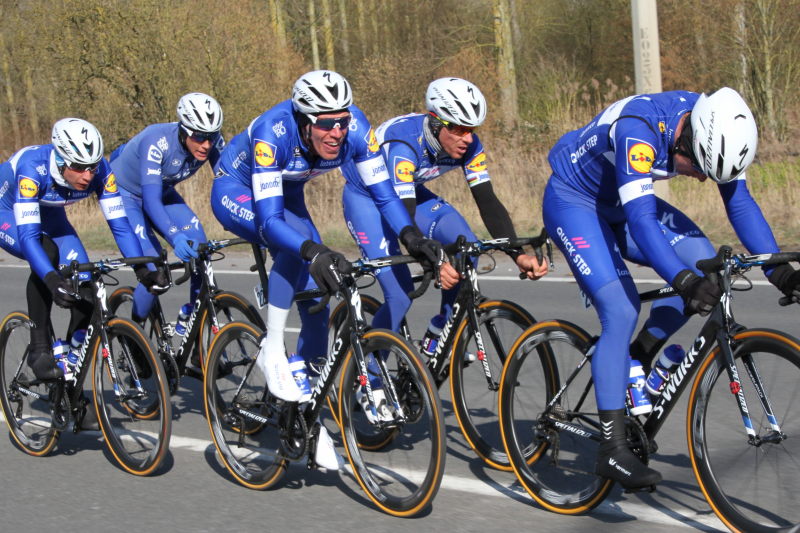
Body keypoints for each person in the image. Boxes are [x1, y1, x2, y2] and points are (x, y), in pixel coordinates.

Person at [542, 87, 800, 489]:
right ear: (685, 139)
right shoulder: (639, 131)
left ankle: (637, 356)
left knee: (706, 266)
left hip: (620, 203)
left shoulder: (718, 124)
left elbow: (740, 203)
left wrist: (779, 271)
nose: (701, 179)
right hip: (575, 202)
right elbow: (642, 222)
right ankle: (611, 449)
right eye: (699, 167)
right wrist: (683, 282)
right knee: (621, 309)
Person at [210, 70, 452, 470]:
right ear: (304, 121)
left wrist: (412, 237)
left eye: (341, 121)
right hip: (237, 189)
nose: (336, 132)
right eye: (325, 124)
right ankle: (272, 346)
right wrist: (313, 251)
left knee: (318, 303)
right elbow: (270, 222)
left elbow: (384, 195)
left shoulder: (357, 129)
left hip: (289, 190)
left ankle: (305, 413)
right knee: (296, 248)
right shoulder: (273, 133)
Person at [340, 77, 548, 358]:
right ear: (436, 123)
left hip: (410, 193)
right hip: (366, 199)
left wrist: (517, 254)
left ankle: (440, 332)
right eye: (459, 129)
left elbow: (487, 200)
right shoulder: (403, 145)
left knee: (466, 247)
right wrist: (435, 260)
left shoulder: (470, 146)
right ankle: (371, 376)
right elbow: (405, 219)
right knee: (399, 294)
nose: (468, 138)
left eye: (472, 129)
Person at [0, 118, 167, 383]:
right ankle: (39, 348)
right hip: (8, 212)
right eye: (78, 168)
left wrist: (142, 270)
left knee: (87, 286)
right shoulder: (32, 169)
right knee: (47, 254)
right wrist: (52, 280)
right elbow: (29, 237)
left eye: (92, 167)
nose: (87, 176)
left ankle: (69, 376)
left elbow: (121, 227)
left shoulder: (101, 170)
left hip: (52, 216)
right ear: (60, 160)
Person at [110, 92, 224, 349]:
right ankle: (134, 337)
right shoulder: (157, 141)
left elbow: (227, 179)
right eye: (199, 136)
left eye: (211, 137)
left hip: (162, 191)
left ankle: (193, 320)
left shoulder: (212, 140)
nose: (206, 144)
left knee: (201, 250)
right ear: (184, 130)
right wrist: (175, 237)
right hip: (128, 196)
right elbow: (151, 202)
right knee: (155, 271)